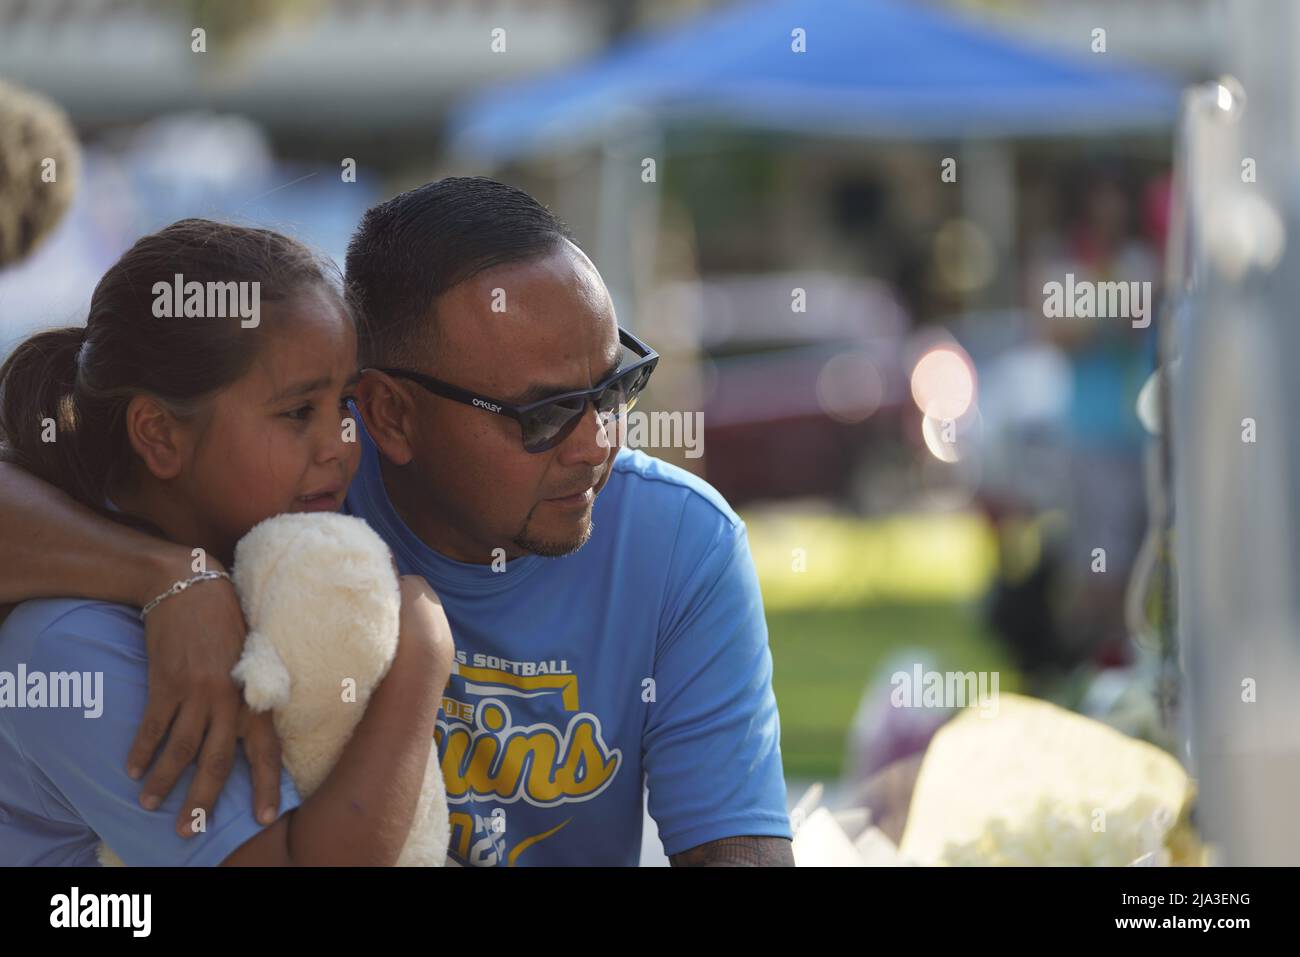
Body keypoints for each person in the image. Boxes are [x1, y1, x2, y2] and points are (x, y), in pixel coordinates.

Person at [0, 178, 794, 866]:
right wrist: (168, 576)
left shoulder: (679, 541)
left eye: (614, 387)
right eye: (545, 412)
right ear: (389, 413)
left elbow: (740, 848)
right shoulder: (284, 507)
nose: (599, 441)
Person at [0, 219, 454, 865]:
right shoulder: (72, 645)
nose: (340, 444)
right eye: (298, 412)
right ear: (158, 433)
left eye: (345, 403)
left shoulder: (275, 535)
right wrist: (422, 655)